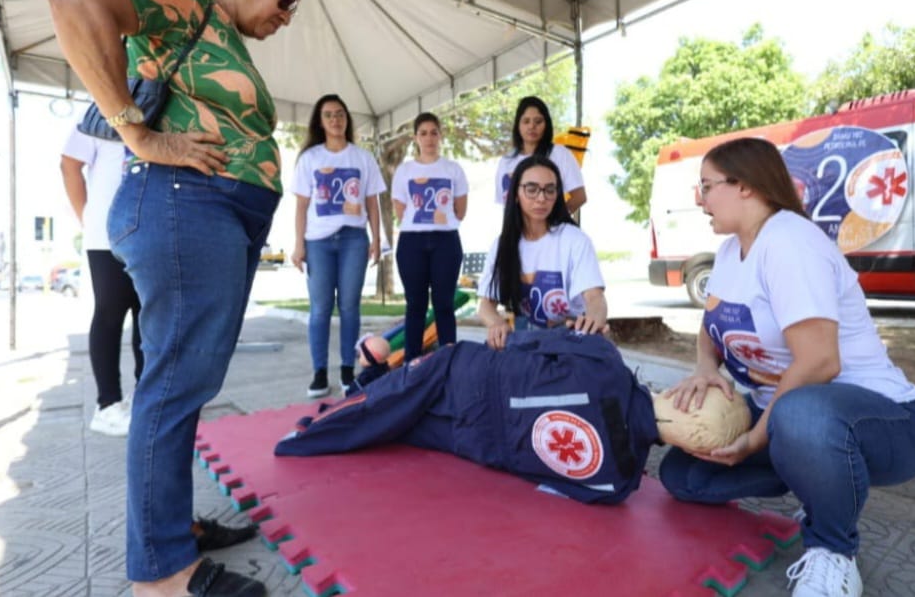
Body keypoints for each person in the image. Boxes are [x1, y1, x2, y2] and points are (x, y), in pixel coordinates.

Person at [48, 0, 306, 597]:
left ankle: (172, 529)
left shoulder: (218, 31)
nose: (286, 16)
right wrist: (137, 132)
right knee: (173, 382)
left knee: (185, 381)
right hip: (183, 201)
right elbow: (73, 0)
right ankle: (162, 574)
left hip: (211, 209)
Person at [658, 137, 915, 597]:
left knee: (800, 416)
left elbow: (820, 362)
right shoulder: (731, 251)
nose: (699, 199)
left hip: (885, 422)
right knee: (684, 475)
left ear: (745, 186)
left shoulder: (790, 242)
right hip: (790, 419)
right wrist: (705, 367)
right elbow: (711, 325)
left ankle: (833, 551)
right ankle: (822, 484)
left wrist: (756, 438)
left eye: (707, 186)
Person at [276, 329, 661, 504]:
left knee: (388, 408)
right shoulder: (617, 485)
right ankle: (369, 380)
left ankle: (328, 416)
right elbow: (548, 483)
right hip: (483, 441)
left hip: (472, 388)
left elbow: (526, 342)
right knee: (392, 415)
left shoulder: (606, 362)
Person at [292, 93, 386, 398]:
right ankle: (319, 373)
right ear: (320, 122)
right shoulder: (310, 158)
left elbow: (372, 202)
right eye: (329, 115)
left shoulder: (362, 157)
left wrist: (377, 239)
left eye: (340, 114)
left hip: (353, 239)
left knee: (349, 306)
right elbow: (301, 206)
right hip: (317, 242)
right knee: (320, 308)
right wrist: (298, 245)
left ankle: (348, 368)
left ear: (347, 118)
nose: (335, 119)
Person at [60, 127, 144, 436]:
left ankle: (144, 400)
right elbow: (69, 163)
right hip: (106, 233)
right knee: (110, 313)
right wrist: (87, 217)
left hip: (150, 231)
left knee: (148, 317)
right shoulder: (97, 110)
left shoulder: (160, 106)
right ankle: (107, 405)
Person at [477, 155, 606, 349]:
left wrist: (594, 320)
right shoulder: (502, 245)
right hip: (523, 338)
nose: (541, 198)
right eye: (531, 189)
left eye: (550, 190)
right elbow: (485, 304)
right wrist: (496, 323)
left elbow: (595, 297)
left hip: (569, 336)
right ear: (515, 194)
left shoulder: (575, 240)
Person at [391, 112, 468, 361]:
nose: (429, 138)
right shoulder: (404, 171)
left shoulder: (453, 169)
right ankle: (412, 364)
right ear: (416, 138)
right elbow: (401, 211)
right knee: (415, 305)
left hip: (445, 242)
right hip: (412, 242)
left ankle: (448, 362)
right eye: (423, 133)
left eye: (434, 132)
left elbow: (460, 210)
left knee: (444, 304)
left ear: (440, 135)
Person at [494, 96, 586, 213]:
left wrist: (555, 220)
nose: (531, 126)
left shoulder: (560, 154)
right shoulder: (506, 161)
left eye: (538, 121)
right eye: (526, 121)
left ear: (546, 124)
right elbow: (505, 204)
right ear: (518, 125)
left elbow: (579, 197)